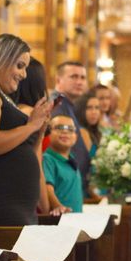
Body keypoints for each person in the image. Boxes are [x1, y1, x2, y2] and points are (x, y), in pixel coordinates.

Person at [0, 34, 51, 225]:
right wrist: (31, 126)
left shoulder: (4, 96)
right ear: (1, 60)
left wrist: (38, 131)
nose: (24, 75)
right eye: (20, 66)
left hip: (20, 207)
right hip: (1, 204)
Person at [14, 57, 50, 214]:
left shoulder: (11, 110)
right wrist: (46, 206)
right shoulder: (30, 114)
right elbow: (35, 161)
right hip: (25, 192)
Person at [51, 61, 91, 194]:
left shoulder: (67, 105)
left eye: (83, 77)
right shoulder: (57, 105)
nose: (79, 82)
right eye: (74, 77)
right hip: (62, 185)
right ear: (58, 79)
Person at [43, 115, 83, 214]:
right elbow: (47, 188)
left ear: (76, 136)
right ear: (48, 133)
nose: (65, 132)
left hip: (76, 219)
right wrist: (58, 206)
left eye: (70, 129)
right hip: (60, 218)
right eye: (59, 127)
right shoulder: (47, 159)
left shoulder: (71, 158)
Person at [74, 92, 102, 158]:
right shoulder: (82, 131)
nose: (94, 112)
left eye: (97, 108)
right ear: (81, 110)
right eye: (89, 108)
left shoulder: (94, 131)